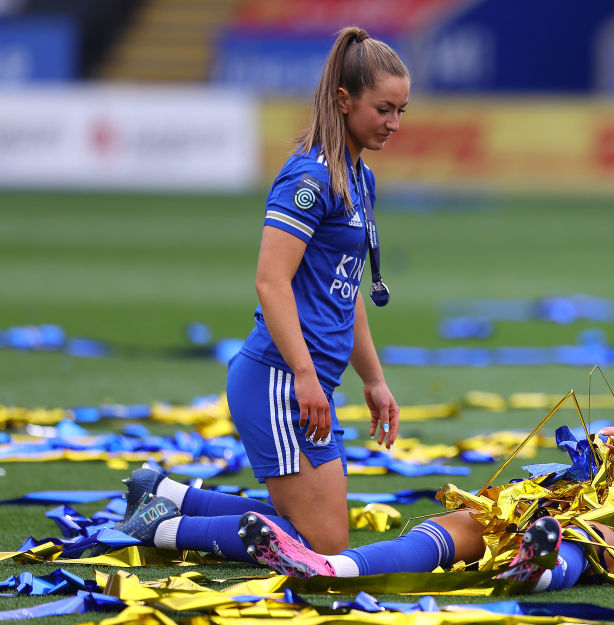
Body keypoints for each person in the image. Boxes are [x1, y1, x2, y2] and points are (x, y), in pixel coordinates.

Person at [114, 26, 408, 562]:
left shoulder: (358, 177)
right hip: (279, 378)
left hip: (305, 380)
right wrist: (303, 374)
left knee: (316, 533)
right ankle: (164, 528)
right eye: (384, 108)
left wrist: (373, 378)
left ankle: (168, 496)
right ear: (344, 101)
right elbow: (270, 282)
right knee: (322, 544)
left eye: (401, 111)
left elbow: (346, 292)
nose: (393, 123)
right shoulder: (309, 178)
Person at [233, 411, 614, 590]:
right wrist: (599, 454)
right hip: (565, 514)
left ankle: (535, 573)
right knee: (469, 522)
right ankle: (330, 567)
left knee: (593, 535)